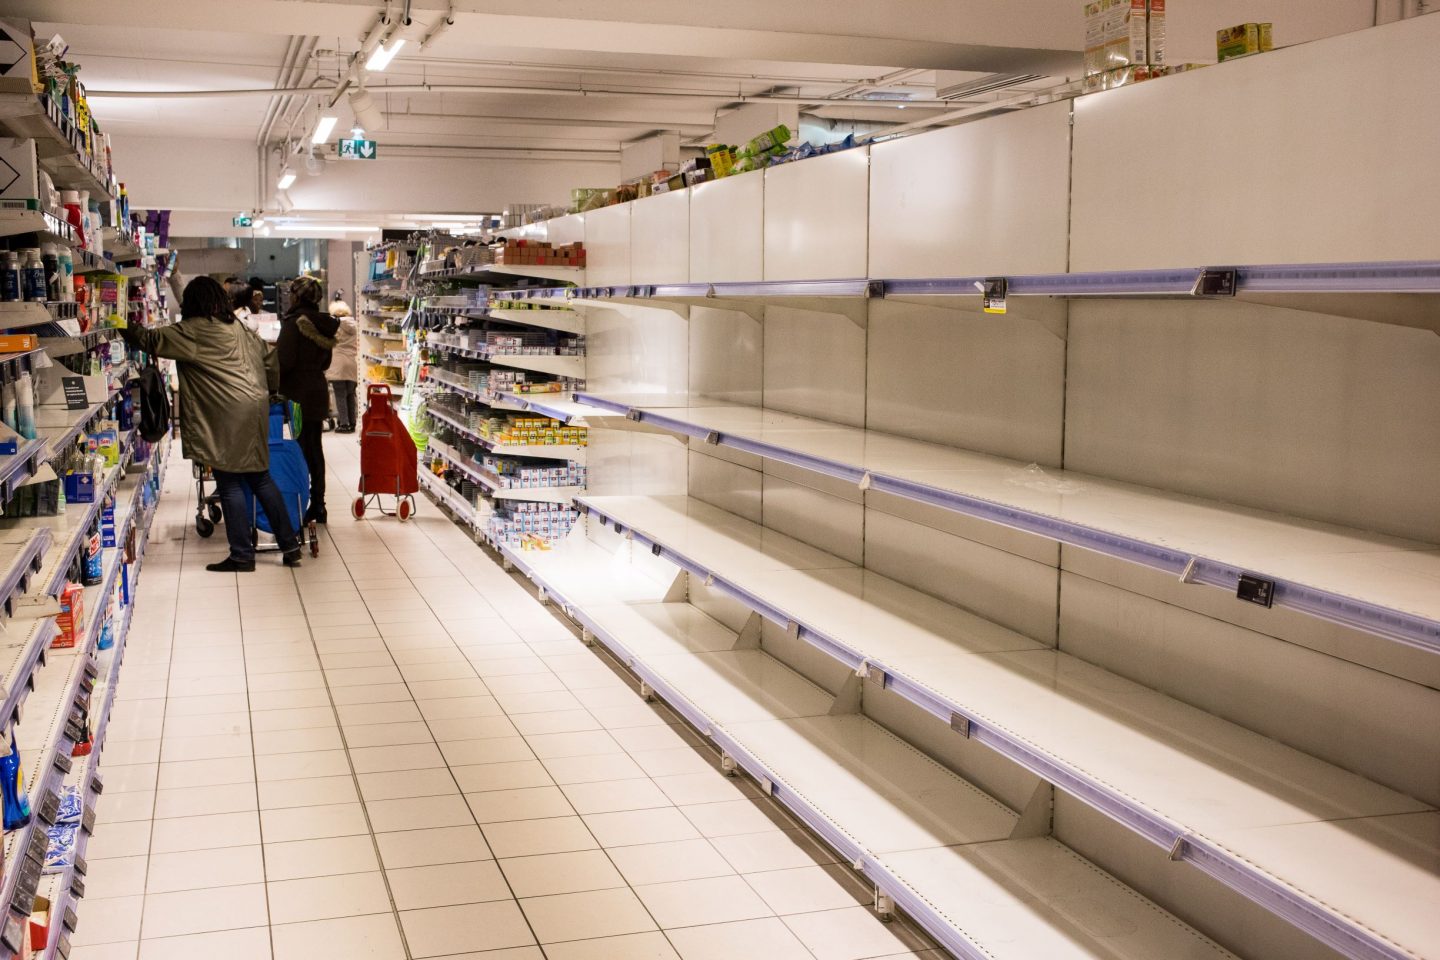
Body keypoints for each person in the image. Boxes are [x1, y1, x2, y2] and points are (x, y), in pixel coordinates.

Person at [121, 276, 303, 572]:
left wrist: (116, 320)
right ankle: (290, 545)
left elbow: (150, 340)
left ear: (192, 303)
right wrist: (268, 391)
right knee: (260, 477)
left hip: (227, 412)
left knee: (229, 481)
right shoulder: (239, 328)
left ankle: (242, 555)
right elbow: (270, 358)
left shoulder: (194, 331)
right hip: (254, 407)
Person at [277, 275, 339, 524]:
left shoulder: (294, 323)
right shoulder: (324, 323)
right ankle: (319, 504)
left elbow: (285, 362)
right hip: (317, 390)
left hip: (297, 395)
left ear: (296, 296)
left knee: (301, 448)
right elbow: (325, 362)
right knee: (315, 448)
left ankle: (300, 502)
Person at [326, 295, 359, 434]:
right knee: (351, 394)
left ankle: (344, 423)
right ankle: (352, 422)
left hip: (338, 362)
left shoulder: (335, 325)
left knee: (340, 394)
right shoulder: (355, 324)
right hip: (352, 362)